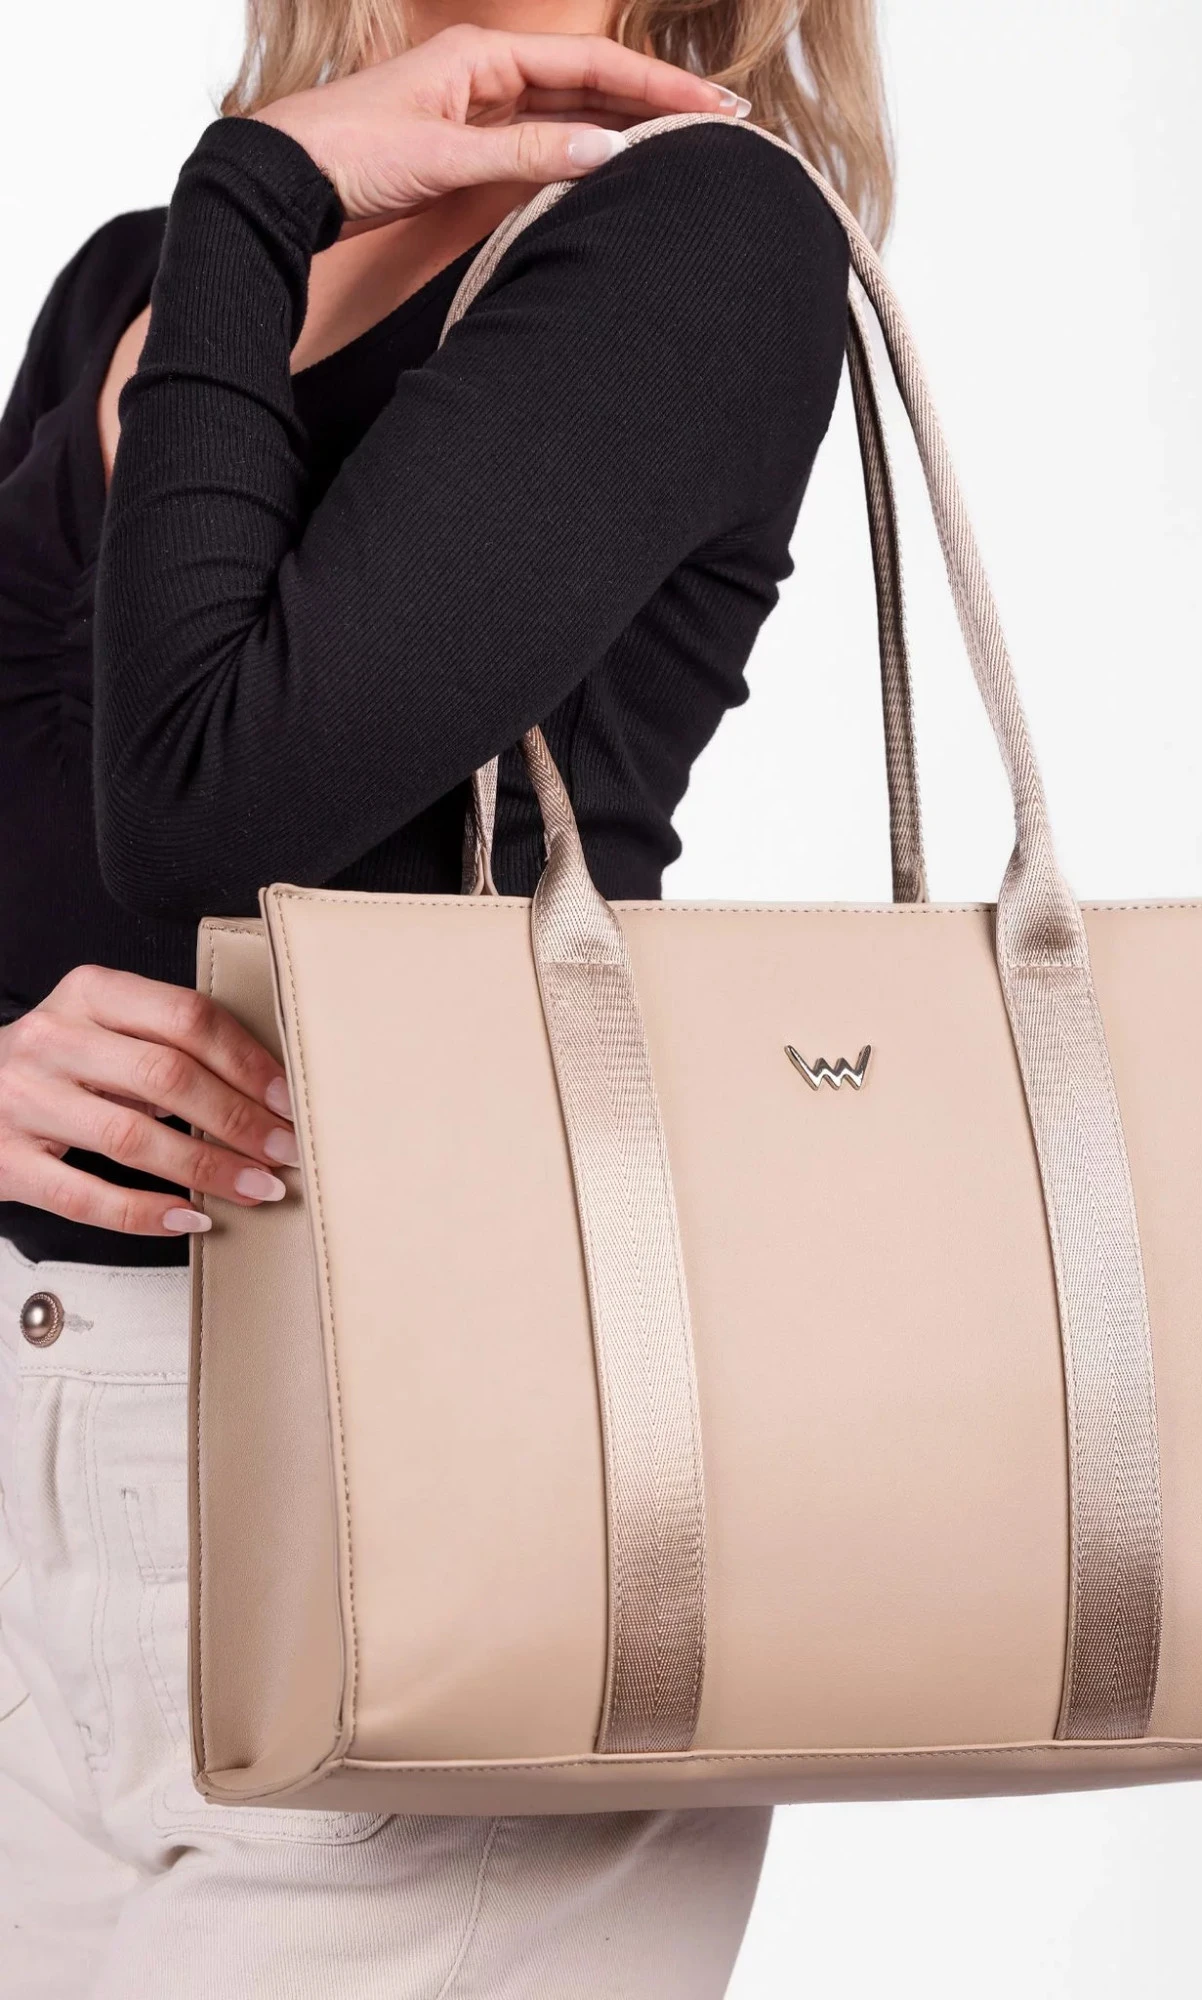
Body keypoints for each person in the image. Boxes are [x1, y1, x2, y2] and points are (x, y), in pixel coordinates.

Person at [0, 2, 889, 1990]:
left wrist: (260, 194)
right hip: (43, 1454)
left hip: (439, 1459)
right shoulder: (138, 274)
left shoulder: (698, 230)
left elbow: (210, 797)